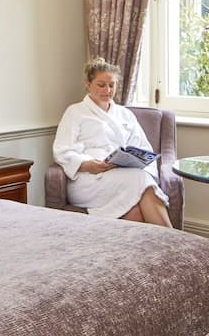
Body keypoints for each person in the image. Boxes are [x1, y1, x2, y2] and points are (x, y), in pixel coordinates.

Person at [53, 57, 172, 227]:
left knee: (137, 211)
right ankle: (173, 239)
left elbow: (142, 147)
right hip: (88, 179)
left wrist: (136, 161)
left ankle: (117, 241)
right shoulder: (75, 112)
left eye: (112, 85)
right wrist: (87, 165)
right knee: (142, 181)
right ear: (88, 84)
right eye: (101, 85)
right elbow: (62, 150)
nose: (107, 90)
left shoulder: (125, 114)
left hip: (124, 175)